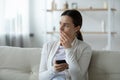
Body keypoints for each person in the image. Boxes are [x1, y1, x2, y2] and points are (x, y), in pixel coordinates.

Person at [39, 9, 92, 80]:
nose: (60, 28)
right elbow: (41, 77)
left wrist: (68, 49)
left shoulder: (85, 48)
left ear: (77, 28)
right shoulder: (48, 46)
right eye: (60, 23)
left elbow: (78, 78)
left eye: (66, 25)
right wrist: (53, 70)